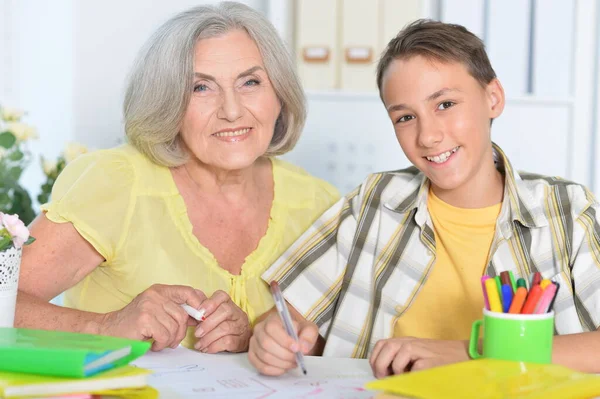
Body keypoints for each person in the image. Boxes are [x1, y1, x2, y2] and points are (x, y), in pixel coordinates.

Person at [249, 19, 600, 376]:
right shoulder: (374, 201)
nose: (428, 136)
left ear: (493, 98)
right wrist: (273, 338)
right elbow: (286, 318)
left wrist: (469, 352)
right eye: (405, 117)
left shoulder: (567, 213)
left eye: (445, 104)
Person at [15, 2, 339, 353]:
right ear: (166, 101)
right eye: (201, 87)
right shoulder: (114, 182)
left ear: (280, 95)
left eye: (250, 82)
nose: (231, 111)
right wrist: (105, 325)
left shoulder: (319, 205)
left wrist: (252, 339)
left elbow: (340, 345)